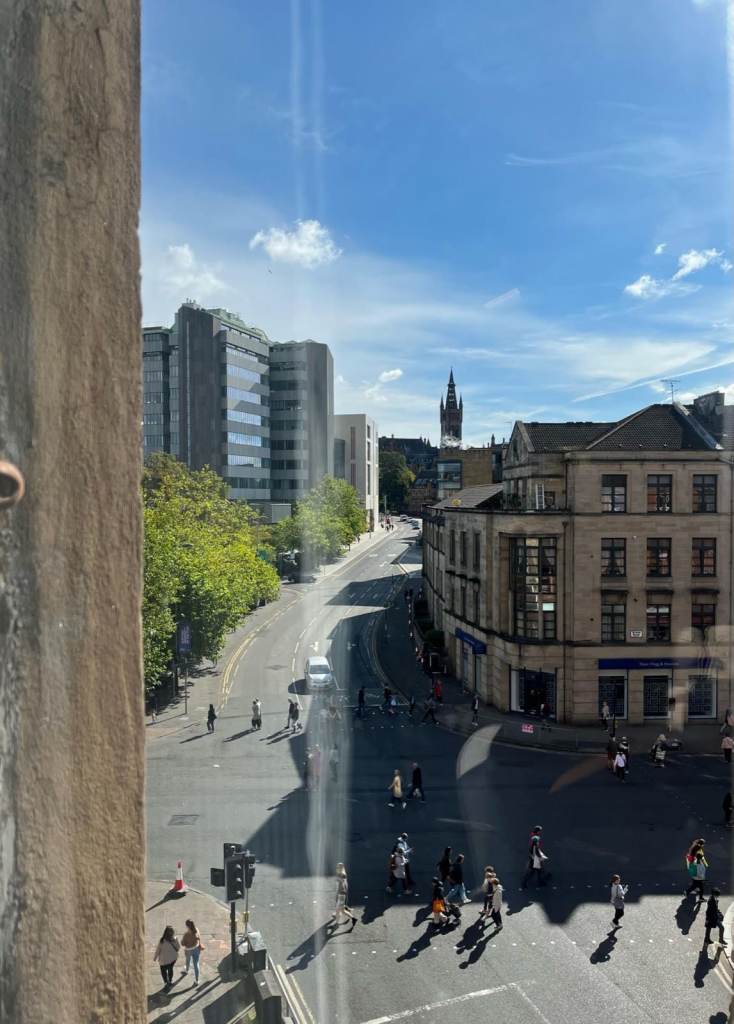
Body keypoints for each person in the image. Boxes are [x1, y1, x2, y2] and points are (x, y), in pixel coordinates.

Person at [154, 926, 180, 991]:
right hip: (173, 959)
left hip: (164, 960)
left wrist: (155, 957)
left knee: (163, 971)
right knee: (170, 969)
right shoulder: (175, 939)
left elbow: (158, 950)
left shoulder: (162, 941)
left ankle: (166, 982)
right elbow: (178, 948)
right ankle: (170, 980)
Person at [180, 919, 202, 986]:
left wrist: (182, 941)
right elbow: (199, 938)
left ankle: (186, 970)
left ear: (187, 926)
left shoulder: (186, 934)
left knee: (188, 960)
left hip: (188, 950)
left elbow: (182, 943)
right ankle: (197, 980)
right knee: (196, 964)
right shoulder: (196, 930)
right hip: (196, 949)